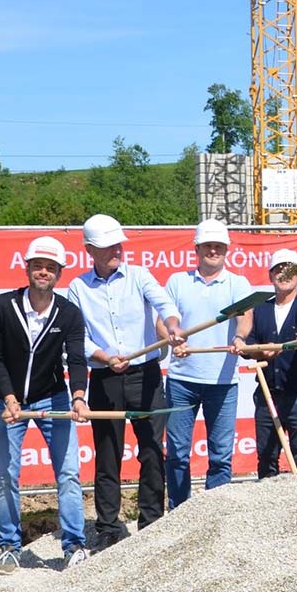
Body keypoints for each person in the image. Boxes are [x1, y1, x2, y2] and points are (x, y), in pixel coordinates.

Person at [67, 214, 183, 547]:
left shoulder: (139, 276)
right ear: (90, 249)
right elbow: (78, 339)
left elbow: (164, 305)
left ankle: (152, 522)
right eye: (108, 246)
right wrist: (103, 356)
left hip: (145, 375)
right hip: (104, 377)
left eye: (118, 243)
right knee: (107, 454)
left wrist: (173, 326)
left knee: (150, 450)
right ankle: (108, 528)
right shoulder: (78, 287)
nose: (117, 250)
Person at [0, 236, 91, 573]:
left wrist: (78, 397)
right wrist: (11, 397)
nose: (43, 272)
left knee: (69, 473)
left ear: (59, 273)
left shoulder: (69, 313)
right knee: (6, 476)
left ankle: (74, 546)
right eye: (38, 266)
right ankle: (9, 547)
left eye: (51, 267)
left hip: (54, 397)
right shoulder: (1, 306)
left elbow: (76, 359)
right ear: (27, 268)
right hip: (7, 401)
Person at [163, 219, 255, 505]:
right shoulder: (178, 281)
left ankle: (213, 517)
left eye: (218, 246)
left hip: (223, 382)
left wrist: (240, 338)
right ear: (197, 249)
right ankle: (179, 513)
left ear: (226, 250)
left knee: (220, 455)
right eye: (207, 246)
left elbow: (245, 316)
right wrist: (173, 335)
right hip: (181, 380)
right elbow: (165, 319)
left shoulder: (237, 283)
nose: (212, 251)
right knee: (177, 453)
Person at [242, 249, 297, 478]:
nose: (284, 274)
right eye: (278, 270)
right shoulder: (261, 308)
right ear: (270, 276)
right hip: (268, 394)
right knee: (267, 458)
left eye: (290, 270)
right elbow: (248, 344)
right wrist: (258, 351)